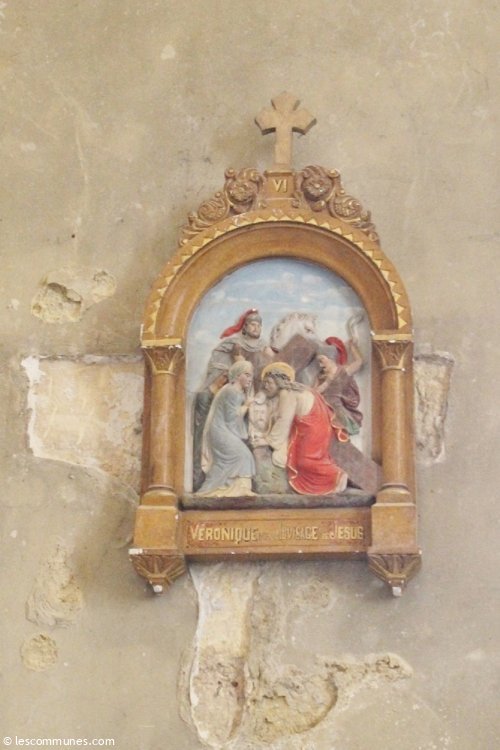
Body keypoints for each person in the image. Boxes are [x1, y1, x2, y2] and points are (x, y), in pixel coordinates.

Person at [256, 362, 348, 495]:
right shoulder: (297, 389)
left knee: (305, 460)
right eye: (264, 383)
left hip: (312, 428)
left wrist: (268, 441)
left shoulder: (286, 392)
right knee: (311, 458)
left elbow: (284, 420)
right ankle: (335, 477)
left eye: (269, 382)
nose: (265, 386)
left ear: (279, 382)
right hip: (318, 425)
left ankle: (336, 475)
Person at [197, 361, 256, 497]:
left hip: (224, 430)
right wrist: (246, 406)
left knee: (237, 457)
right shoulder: (231, 391)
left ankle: (237, 488)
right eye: (247, 375)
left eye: (251, 376)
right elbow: (231, 418)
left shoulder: (236, 391)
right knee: (242, 455)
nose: (250, 379)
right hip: (220, 431)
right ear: (237, 375)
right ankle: (220, 489)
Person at [314, 337, 363, 436]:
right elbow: (314, 392)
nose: (320, 365)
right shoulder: (321, 376)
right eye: (318, 362)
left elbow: (359, 362)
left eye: (321, 360)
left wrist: (352, 346)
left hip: (337, 408)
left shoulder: (343, 372)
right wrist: (327, 382)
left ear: (331, 358)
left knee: (342, 429)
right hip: (323, 408)